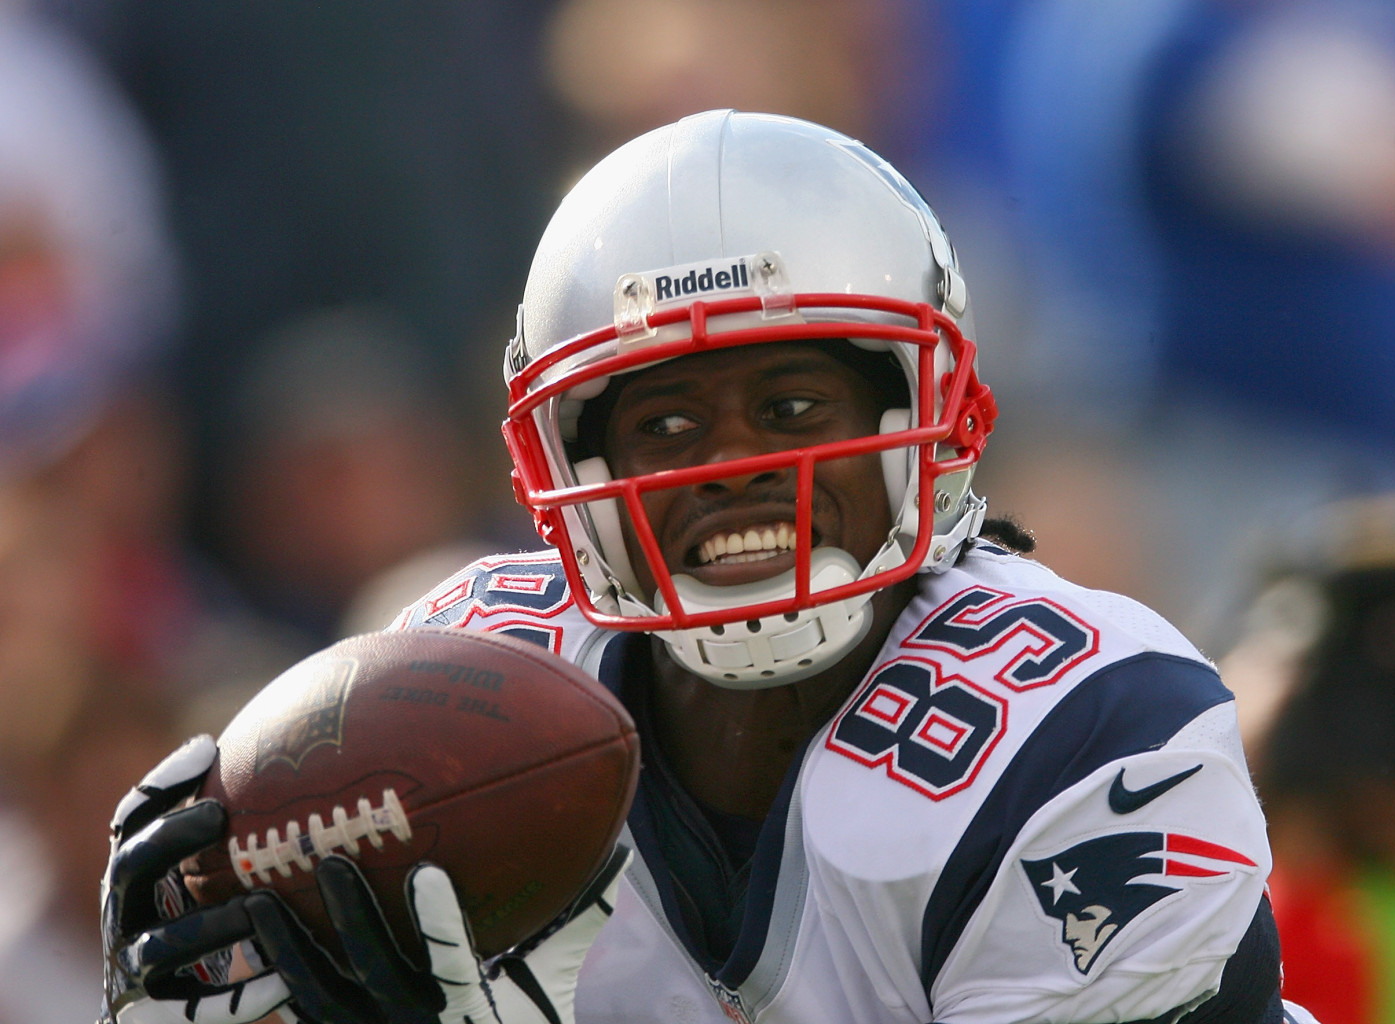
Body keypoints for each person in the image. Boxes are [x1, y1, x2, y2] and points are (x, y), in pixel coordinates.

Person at [99, 111, 1317, 1024]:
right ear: (560, 458)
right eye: (667, 425)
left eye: (792, 403)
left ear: (927, 411)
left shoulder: (1086, 730)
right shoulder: (461, 691)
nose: (735, 462)